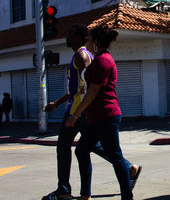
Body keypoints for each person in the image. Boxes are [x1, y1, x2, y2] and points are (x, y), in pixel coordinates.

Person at [42, 25, 140, 200]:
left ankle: (126, 195)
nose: (86, 40)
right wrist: (58, 103)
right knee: (85, 149)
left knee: (112, 155)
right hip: (94, 115)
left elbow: (90, 91)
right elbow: (82, 88)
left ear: (93, 41)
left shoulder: (96, 59)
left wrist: (76, 114)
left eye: (88, 38)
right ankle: (85, 193)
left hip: (100, 113)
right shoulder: (97, 59)